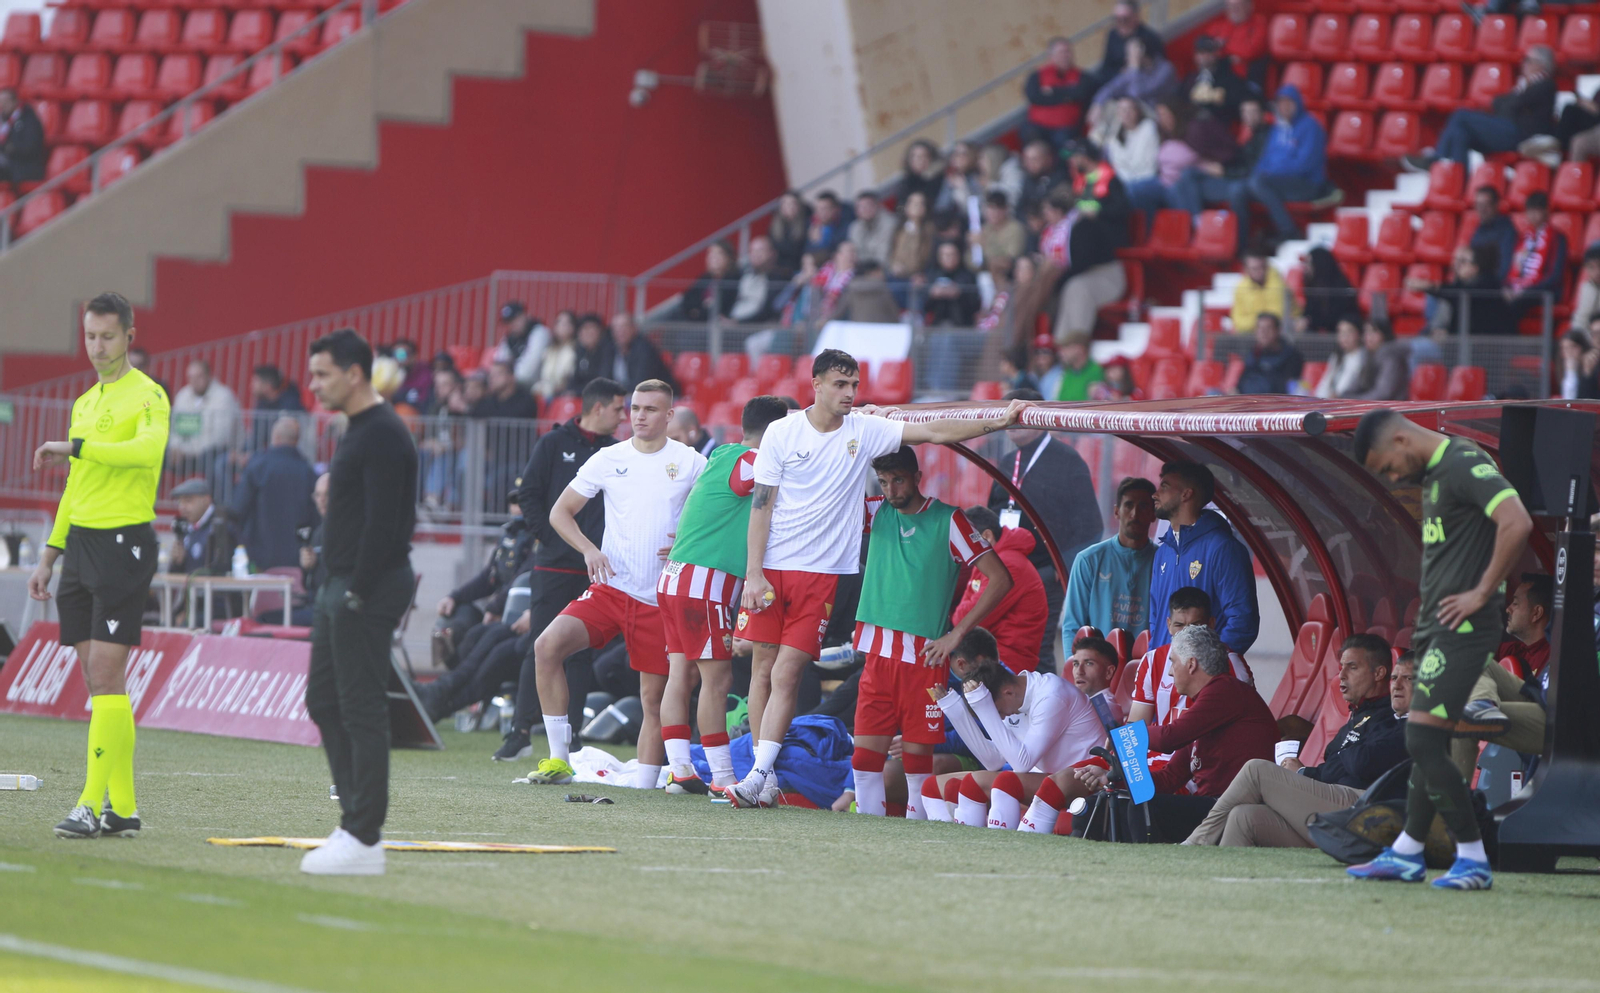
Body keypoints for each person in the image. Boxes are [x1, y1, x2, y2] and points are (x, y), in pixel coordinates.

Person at [727, 351, 1030, 809]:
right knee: (762, 668)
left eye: (855, 384)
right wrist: (751, 571)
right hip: (773, 570)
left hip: (823, 577)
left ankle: (759, 773)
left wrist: (996, 422)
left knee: (788, 672)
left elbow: (933, 431)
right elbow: (761, 505)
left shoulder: (866, 431)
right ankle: (762, 773)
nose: (850, 393)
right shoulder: (782, 433)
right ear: (816, 384)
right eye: (841, 384)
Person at [1347, 409, 1533, 889]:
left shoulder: (1464, 463)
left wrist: (1481, 592)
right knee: (1425, 740)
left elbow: (1517, 522)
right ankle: (1408, 852)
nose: (1390, 478)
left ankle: (1472, 858)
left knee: (1424, 739)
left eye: (1386, 465)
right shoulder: (1434, 478)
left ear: (1402, 440)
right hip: (1436, 630)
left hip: (1465, 631)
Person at [29, 293, 166, 841]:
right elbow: (75, 484)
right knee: (99, 680)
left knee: (106, 674)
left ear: (129, 337)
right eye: (89, 336)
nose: (97, 346)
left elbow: (147, 451)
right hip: (80, 547)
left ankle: (89, 804)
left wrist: (77, 446)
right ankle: (125, 809)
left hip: (122, 545)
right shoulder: (84, 402)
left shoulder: (149, 395)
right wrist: (49, 553)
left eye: (107, 336)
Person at [522, 380, 706, 789]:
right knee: (546, 646)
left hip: (660, 598)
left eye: (650, 409)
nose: (639, 415)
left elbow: (716, 516)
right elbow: (560, 512)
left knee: (652, 700)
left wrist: (688, 542)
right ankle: (558, 760)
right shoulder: (609, 458)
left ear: (669, 416)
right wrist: (588, 550)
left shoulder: (692, 462)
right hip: (612, 588)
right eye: (636, 408)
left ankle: (644, 784)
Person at [299, 328, 418, 875]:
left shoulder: (385, 433)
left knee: (362, 708)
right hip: (338, 584)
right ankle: (353, 821)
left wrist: (357, 589)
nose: (314, 384)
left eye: (322, 373)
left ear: (353, 373)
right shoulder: (357, 428)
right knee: (324, 702)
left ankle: (364, 836)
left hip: (364, 587)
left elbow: (387, 525)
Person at [849, 447, 1012, 818]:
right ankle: (865, 835)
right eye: (884, 482)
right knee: (864, 759)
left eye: (899, 480)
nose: (891, 490)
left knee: (916, 761)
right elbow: (829, 499)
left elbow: (1001, 578)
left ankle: (919, 838)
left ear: (918, 476)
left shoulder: (949, 520)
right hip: (877, 654)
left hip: (924, 658)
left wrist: (956, 634)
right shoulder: (875, 511)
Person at [655, 397, 792, 795]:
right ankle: (723, 778)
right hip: (705, 583)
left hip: (677, 576)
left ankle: (680, 771)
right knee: (717, 680)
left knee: (681, 674)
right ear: (775, 432)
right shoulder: (753, 460)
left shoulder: (722, 454)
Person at [497, 377, 627, 762]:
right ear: (598, 408)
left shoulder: (618, 452)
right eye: (620, 408)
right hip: (555, 565)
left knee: (581, 654)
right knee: (540, 646)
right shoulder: (553, 443)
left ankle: (570, 739)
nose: (624, 417)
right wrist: (552, 540)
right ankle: (519, 732)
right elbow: (529, 496)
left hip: (598, 567)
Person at [1186, 637, 1410, 847]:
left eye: (1352, 667)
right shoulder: (1360, 713)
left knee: (1256, 769)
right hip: (1334, 798)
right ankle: (1217, 884)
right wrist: (1321, 767)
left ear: (1378, 673)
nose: (1341, 675)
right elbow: (1336, 760)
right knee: (1243, 816)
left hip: (1363, 807)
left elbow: (1361, 762)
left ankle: (1198, 841)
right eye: (1341, 667)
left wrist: (1314, 769)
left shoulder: (1395, 718)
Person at [926, 628, 1104, 828]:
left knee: (1004, 783)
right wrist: (957, 713)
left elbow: (1021, 764)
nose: (1000, 717)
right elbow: (993, 760)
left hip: (1086, 776)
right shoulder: (1013, 696)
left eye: (999, 711)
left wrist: (985, 708)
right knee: (943, 785)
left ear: (1007, 692)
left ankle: (1006, 851)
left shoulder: (1051, 696)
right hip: (1050, 775)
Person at [1116, 624, 1277, 840]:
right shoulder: (1208, 703)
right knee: (1115, 802)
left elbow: (1167, 739)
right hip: (1214, 806)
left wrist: (1126, 734)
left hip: (1232, 809)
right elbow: (1170, 778)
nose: (1171, 672)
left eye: (1173, 662)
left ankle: (1148, 870)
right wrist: (1115, 779)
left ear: (1191, 664)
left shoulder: (1225, 691)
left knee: (1142, 809)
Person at [985, 387, 1101, 670]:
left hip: (1044, 576)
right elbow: (992, 516)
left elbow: (1090, 526)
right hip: (1006, 574)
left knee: (1036, 648)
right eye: (1006, 416)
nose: (1012, 422)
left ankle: (1046, 709)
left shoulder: (1067, 461)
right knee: (1000, 643)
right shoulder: (1006, 462)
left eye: (1018, 414)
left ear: (1038, 416)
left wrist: (1055, 572)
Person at [1147, 461, 1259, 652]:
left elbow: (1242, 620)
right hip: (1166, 675)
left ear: (1186, 494)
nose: (1155, 494)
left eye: (1164, 487)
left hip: (1201, 676)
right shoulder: (1163, 551)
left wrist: (1208, 666)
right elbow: (1156, 619)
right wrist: (1158, 664)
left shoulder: (1223, 548)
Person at [1450, 575, 1554, 775]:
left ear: (1536, 613)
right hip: (1532, 696)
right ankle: (1481, 706)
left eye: (1515, 603)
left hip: (1548, 712)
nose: (1508, 609)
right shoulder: (1510, 649)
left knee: (1461, 718)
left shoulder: (1554, 650)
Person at [1403, 47, 1556, 170]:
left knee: (1460, 115)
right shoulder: (1525, 86)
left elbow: (1510, 104)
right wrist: (1512, 103)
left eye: (1529, 60)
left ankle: (1436, 159)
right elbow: (1498, 103)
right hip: (1508, 129)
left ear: (1541, 64)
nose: (1524, 63)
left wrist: (1511, 102)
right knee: (1460, 133)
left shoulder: (1545, 85)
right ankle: (1459, 184)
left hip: (1521, 135)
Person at [1129, 586, 1255, 730]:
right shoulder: (1152, 661)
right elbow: (1136, 726)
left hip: (1204, 752)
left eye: (1195, 626)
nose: (1186, 633)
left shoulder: (1232, 663)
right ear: (1169, 625)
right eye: (1179, 625)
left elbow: (1245, 724)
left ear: (1211, 624)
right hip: (1161, 749)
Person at [953, 505, 1049, 673]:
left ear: (987, 537)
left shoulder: (1007, 565)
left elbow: (967, 620)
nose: (963, 549)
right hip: (988, 652)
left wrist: (966, 609)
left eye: (966, 541)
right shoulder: (992, 559)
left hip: (1006, 662)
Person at [1231, 85, 1326, 253]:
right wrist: (1263, 172)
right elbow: (1265, 160)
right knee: (1238, 189)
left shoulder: (1311, 127)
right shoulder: (1277, 129)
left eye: (1288, 103)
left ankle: (1289, 230)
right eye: (1281, 104)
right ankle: (1242, 246)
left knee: (1259, 182)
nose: (1284, 107)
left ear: (1297, 104)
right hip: (1275, 182)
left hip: (1306, 184)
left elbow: (1304, 165)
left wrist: (1270, 172)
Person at [1062, 476, 1156, 638]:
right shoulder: (1088, 560)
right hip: (1098, 662)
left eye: (1143, 506)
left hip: (1146, 662)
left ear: (1154, 514)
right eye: (1128, 505)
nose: (1135, 514)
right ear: (1116, 511)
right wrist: (1077, 663)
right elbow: (1072, 627)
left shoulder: (1163, 562)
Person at [229, 416, 317, 571]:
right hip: (297, 561)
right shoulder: (308, 472)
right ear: (297, 440)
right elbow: (315, 517)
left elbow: (238, 511)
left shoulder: (257, 467)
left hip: (260, 557)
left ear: (274, 437)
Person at [1169, 96, 1269, 222]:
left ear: (1263, 113)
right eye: (1244, 111)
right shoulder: (1248, 135)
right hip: (1230, 177)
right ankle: (1193, 223)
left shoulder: (1266, 136)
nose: (1248, 116)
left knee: (1187, 183)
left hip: (1239, 181)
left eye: (1252, 111)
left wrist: (1224, 171)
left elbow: (1254, 168)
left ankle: (1198, 226)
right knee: (1184, 179)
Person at [168, 358, 241, 487]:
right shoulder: (183, 395)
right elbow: (176, 429)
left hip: (218, 450)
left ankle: (215, 502)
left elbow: (220, 437)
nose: (194, 381)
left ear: (209, 376)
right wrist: (175, 448)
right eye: (190, 377)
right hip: (187, 452)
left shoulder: (224, 396)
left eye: (199, 376)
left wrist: (189, 451)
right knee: (159, 456)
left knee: (210, 458)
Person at [1502, 191, 1568, 328]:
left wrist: (1525, 290)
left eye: (1536, 211)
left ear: (1546, 212)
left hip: (1545, 290)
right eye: (1530, 211)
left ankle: (1509, 341)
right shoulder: (1523, 238)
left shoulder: (1558, 238)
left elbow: (1555, 276)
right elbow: (1513, 268)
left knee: (1516, 303)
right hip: (1522, 287)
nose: (1532, 215)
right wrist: (1509, 287)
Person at [1420, 243, 1510, 340]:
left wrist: (1447, 335)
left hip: (1487, 347)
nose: (1458, 265)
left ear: (1475, 268)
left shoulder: (1485, 286)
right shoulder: (1459, 285)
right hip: (1460, 344)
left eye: (1463, 261)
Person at [1022, 37, 1091, 148]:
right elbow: (1034, 97)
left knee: (1066, 145)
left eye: (1067, 52)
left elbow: (1080, 94)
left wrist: (1052, 91)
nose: (1065, 56)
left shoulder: (1083, 77)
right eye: (1061, 52)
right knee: (1030, 137)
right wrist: (1067, 96)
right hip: (1038, 127)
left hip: (1066, 129)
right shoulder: (1036, 76)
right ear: (1051, 55)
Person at [167, 477, 236, 580]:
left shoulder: (222, 525)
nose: (182, 507)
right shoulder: (187, 529)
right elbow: (179, 574)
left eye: (188, 501)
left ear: (206, 500)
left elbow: (221, 571)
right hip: (192, 593)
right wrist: (177, 563)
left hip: (213, 594)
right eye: (180, 502)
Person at [1096, 1, 1166, 86]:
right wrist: (1121, 74)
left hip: (1143, 88)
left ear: (1136, 17)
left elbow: (1160, 72)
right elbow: (1106, 68)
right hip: (1116, 86)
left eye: (1125, 19)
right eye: (1117, 19)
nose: (1121, 23)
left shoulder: (1150, 37)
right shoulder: (1112, 35)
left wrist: (1141, 62)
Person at [1204, 0, 1268, 90]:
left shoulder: (1258, 23)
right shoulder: (1218, 26)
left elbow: (1250, 51)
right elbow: (1205, 47)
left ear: (1249, 6)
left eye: (1239, 6)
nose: (1234, 9)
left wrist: (1223, 46)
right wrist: (1230, 56)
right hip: (1219, 76)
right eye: (1231, 6)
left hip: (1246, 78)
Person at [1235, 313, 1304, 395]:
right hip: (1246, 402)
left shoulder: (1291, 356)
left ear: (1277, 330)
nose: (1263, 333)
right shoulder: (1253, 353)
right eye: (1260, 328)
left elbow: (1289, 388)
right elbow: (1243, 381)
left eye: (1268, 328)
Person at [1184, 36, 1249, 122]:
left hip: (1220, 123)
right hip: (1196, 123)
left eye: (1209, 51)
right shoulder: (1191, 79)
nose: (1204, 56)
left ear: (1216, 53)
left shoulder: (1227, 74)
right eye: (1200, 52)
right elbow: (1182, 101)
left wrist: (1216, 98)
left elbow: (1237, 102)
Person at [608, 312, 675, 392]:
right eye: (616, 328)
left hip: (660, 395)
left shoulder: (645, 350)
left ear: (634, 328)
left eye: (624, 326)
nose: (620, 332)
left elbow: (641, 382)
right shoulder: (611, 349)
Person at [1298, 247, 1358, 335]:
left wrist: (1310, 322)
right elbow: (1309, 313)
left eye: (1309, 263)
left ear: (1319, 264)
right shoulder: (1312, 287)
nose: (1306, 268)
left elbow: (1336, 318)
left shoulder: (1340, 287)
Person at [731, 236, 790, 325]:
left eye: (761, 250)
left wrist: (739, 323)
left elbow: (769, 310)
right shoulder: (741, 274)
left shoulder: (779, 277)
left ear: (772, 253)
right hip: (733, 323)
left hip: (760, 326)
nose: (756, 254)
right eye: (752, 251)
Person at [1230, 252, 1296, 333]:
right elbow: (1237, 321)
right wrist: (1259, 324)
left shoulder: (1277, 285)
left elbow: (1276, 318)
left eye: (1262, 268)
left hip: (1280, 331)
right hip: (1251, 333)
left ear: (1267, 267)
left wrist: (1253, 323)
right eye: (1254, 269)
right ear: (1246, 270)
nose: (1259, 272)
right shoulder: (1241, 287)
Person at [490, 301, 549, 391]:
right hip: (515, 384)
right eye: (508, 322)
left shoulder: (539, 332)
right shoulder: (510, 338)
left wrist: (504, 377)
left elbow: (527, 373)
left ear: (524, 315)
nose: (512, 324)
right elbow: (499, 363)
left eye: (514, 319)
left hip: (537, 386)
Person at [1349, 317, 1411, 402]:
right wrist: (1345, 397)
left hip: (1391, 409)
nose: (1368, 337)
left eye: (1373, 331)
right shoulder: (1367, 356)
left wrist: (1357, 401)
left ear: (1384, 334)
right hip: (1370, 405)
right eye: (1366, 332)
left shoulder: (1392, 357)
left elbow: (1383, 393)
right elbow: (1356, 384)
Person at [676, 242, 740, 322]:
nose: (714, 257)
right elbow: (687, 298)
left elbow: (720, 306)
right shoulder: (705, 277)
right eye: (711, 253)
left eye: (718, 254)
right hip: (696, 320)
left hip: (715, 325)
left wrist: (698, 310)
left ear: (728, 258)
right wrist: (702, 306)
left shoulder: (733, 279)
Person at [247, 365, 305, 451]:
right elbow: (256, 436)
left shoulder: (291, 405)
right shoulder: (261, 403)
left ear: (268, 385)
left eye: (255, 381)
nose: (251, 386)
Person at [1467, 186, 1518, 284]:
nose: (1482, 209)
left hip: (1492, 288)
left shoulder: (1506, 230)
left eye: (1486, 205)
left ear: (1496, 205)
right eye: (1478, 205)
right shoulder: (1479, 229)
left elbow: (1504, 269)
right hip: (1475, 282)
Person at [924, 240, 979, 327]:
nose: (949, 258)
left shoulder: (968, 276)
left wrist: (959, 293)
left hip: (962, 325)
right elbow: (921, 305)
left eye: (953, 254)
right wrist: (932, 294)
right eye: (946, 255)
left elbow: (975, 304)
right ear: (939, 257)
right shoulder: (930, 275)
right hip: (935, 325)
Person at [1104, 97, 1159, 184]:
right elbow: (1119, 167)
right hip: (1127, 184)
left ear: (1137, 111)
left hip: (1148, 180)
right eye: (1122, 110)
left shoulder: (1148, 127)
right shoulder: (1114, 137)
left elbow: (1151, 163)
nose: (1127, 113)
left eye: (1130, 109)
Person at [888, 191, 936, 285]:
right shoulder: (899, 228)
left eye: (920, 204)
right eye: (913, 203)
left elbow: (927, 256)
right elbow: (891, 251)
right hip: (896, 276)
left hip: (919, 279)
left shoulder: (929, 229)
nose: (917, 206)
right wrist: (893, 265)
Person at [1314, 318, 1368, 399]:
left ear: (1359, 334)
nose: (1344, 337)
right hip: (1327, 402)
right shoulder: (1336, 356)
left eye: (1349, 332)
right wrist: (1318, 398)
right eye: (1341, 332)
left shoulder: (1363, 358)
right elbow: (1325, 382)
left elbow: (1347, 387)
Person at [0, 88, 45, 182]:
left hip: (24, 168)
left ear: (15, 101)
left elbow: (31, 147)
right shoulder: (4, 121)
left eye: (5, 102)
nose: (2, 106)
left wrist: (9, 148)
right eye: (1, 102)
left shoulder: (29, 119)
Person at [973, 191, 1026, 272]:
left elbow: (1010, 260)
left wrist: (984, 244)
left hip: (1010, 274)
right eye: (991, 208)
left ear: (1006, 209)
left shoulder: (1015, 228)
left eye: (999, 208)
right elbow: (972, 263)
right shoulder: (984, 229)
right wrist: (972, 246)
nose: (995, 212)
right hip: (984, 273)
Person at [534, 310, 578, 401]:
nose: (562, 326)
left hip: (562, 394)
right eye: (559, 322)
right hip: (544, 391)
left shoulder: (576, 350)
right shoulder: (549, 350)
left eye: (566, 323)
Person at [471, 360, 539, 419]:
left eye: (498, 374)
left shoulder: (525, 399)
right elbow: (475, 415)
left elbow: (515, 417)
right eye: (491, 374)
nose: (492, 378)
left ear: (511, 377)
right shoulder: (489, 399)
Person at [1051, 331, 1104, 401]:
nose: (1061, 353)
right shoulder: (1067, 372)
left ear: (1080, 349)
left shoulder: (1096, 371)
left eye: (1066, 347)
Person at [847, 191, 895, 267]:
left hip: (885, 269)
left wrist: (860, 259)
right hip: (863, 268)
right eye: (861, 207)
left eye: (868, 206)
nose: (865, 210)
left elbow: (883, 257)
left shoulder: (889, 224)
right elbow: (854, 253)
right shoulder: (855, 226)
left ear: (878, 206)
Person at [767, 191, 811, 272]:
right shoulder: (774, 226)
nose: (789, 207)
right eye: (785, 203)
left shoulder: (807, 224)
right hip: (778, 269)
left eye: (792, 203)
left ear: (799, 206)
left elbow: (801, 250)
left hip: (798, 268)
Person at [895, 140, 945, 210]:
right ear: (910, 161)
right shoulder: (905, 183)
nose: (921, 160)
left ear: (931, 158)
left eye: (925, 156)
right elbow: (899, 208)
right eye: (917, 157)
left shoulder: (940, 178)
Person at [806, 191, 853, 258]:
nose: (821, 212)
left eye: (825, 208)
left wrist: (817, 244)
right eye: (818, 209)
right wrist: (813, 243)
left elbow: (836, 252)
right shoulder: (812, 226)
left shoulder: (846, 226)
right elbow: (806, 253)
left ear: (836, 209)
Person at [1560, 328, 1600, 400]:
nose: (1569, 352)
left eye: (1573, 347)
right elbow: (1567, 399)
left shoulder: (1593, 363)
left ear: (1582, 347)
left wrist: (1587, 373)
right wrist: (1570, 372)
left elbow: (1585, 398)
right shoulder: (1562, 367)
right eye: (1565, 348)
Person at [1569, 244, 1600, 335]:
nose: (1597, 272)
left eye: (1599, 266)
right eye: (1591, 267)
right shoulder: (1587, 288)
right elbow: (1580, 321)